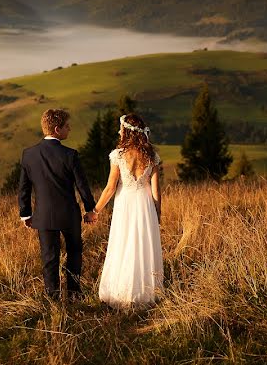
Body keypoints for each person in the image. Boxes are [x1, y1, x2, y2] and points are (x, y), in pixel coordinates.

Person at [18, 108, 97, 301]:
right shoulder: (70, 155)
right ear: (56, 129)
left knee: (49, 258)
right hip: (69, 215)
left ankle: (52, 297)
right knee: (75, 253)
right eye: (66, 126)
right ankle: (74, 294)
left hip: (43, 216)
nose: (69, 129)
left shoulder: (29, 154)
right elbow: (82, 185)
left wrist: (25, 214)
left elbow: (24, 188)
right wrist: (90, 209)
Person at [92, 114, 163, 308]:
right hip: (145, 206)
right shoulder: (152, 156)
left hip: (125, 204)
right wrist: (157, 214)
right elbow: (156, 191)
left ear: (128, 131)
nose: (118, 131)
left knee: (123, 244)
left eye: (121, 128)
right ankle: (144, 292)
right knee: (142, 246)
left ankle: (121, 291)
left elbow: (110, 188)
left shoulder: (118, 155)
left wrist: (95, 210)